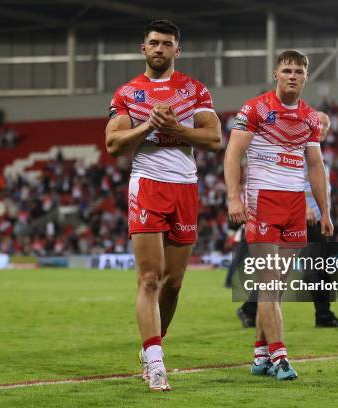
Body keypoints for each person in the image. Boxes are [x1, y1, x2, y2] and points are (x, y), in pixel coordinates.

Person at [105, 20, 221, 391]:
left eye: (166, 44)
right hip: (147, 186)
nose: (159, 49)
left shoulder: (193, 90)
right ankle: (155, 361)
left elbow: (215, 138)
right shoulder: (127, 93)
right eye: (153, 43)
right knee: (150, 279)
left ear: (176, 50)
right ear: (143, 48)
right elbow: (113, 145)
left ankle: (155, 343)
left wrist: (175, 128)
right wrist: (147, 127)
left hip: (184, 187)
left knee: (174, 283)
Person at [224, 50, 332, 381]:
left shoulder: (311, 119)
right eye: (286, 69)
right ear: (276, 74)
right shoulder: (254, 109)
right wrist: (233, 198)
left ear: (306, 77)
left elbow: (315, 166)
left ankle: (260, 354)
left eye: (299, 70)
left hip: (294, 207)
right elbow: (233, 152)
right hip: (261, 203)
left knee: (277, 289)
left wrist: (325, 211)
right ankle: (280, 358)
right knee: (270, 285)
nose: (292, 75)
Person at [233, 112, 338, 328]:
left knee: (321, 269)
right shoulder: (297, 148)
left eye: (326, 125)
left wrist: (325, 214)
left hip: (316, 219)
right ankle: (250, 309)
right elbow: (289, 178)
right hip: (298, 216)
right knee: (280, 268)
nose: (323, 128)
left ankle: (323, 316)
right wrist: (305, 207)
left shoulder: (316, 154)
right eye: (320, 123)